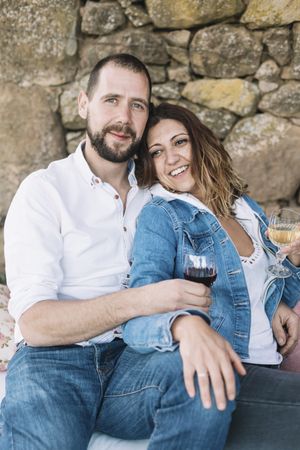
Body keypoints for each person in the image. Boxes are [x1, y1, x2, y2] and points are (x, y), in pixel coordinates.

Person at [0, 55, 212, 449]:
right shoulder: (45, 190)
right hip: (53, 364)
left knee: (205, 375)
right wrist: (141, 300)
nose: (124, 117)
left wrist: (280, 293)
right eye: (111, 100)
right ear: (84, 104)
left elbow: (225, 230)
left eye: (137, 105)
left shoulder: (159, 192)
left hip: (136, 358)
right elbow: (36, 325)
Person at [122, 102, 300, 449]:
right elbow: (139, 311)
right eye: (157, 152)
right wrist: (184, 326)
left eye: (180, 142)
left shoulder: (245, 207)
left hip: (270, 363)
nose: (171, 158)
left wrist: (280, 292)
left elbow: (277, 281)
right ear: (150, 166)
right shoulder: (163, 216)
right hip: (228, 369)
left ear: (200, 142)